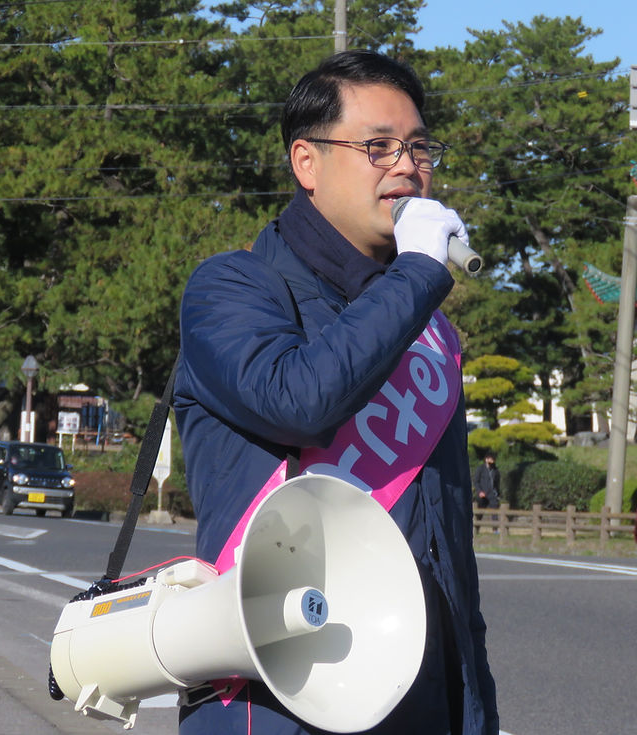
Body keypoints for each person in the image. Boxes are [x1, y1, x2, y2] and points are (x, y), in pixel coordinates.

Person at [174, 50, 499, 735]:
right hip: (277, 688)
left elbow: (451, 554)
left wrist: (474, 708)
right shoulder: (231, 287)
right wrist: (417, 274)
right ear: (307, 162)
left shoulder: (426, 327)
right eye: (378, 147)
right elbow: (300, 401)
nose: (406, 167)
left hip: (415, 690)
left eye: (419, 148)